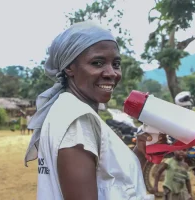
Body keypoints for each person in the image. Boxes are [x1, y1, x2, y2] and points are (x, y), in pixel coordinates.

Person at [24, 21, 155, 200]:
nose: (111, 73)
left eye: (116, 64)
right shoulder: (77, 119)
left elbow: (112, 184)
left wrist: (140, 152)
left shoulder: (67, 110)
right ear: (69, 67)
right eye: (97, 62)